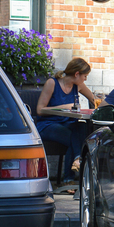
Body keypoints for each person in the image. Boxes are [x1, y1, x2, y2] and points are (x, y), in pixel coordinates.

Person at [36, 57, 95, 185]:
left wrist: (102, 104)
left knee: (82, 128)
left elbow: (93, 99)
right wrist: (64, 107)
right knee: (73, 138)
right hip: (47, 124)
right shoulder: (52, 83)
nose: (85, 79)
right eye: (85, 76)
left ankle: (74, 166)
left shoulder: (78, 85)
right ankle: (69, 178)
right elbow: (40, 110)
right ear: (76, 74)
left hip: (66, 123)